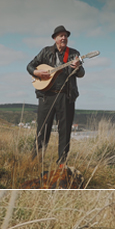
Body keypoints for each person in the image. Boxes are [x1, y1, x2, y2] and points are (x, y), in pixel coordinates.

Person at [27, 25, 85, 165]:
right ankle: (35, 162)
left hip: (66, 97)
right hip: (47, 96)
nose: (64, 38)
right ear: (55, 38)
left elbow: (82, 74)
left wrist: (77, 67)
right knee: (42, 131)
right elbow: (30, 66)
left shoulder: (73, 54)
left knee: (65, 133)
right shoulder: (46, 52)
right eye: (61, 35)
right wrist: (36, 73)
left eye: (65, 35)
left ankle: (61, 164)